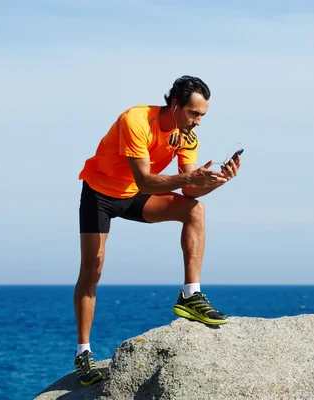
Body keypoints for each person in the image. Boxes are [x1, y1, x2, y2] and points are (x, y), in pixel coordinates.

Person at [72, 75, 241, 387]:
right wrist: (193, 180)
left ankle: (191, 296)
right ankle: (83, 353)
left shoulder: (187, 137)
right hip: (100, 193)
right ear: (175, 106)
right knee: (92, 269)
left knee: (195, 210)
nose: (199, 122)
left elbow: (189, 192)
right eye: (194, 113)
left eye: (203, 115)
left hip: (134, 195)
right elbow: (147, 181)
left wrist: (215, 182)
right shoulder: (136, 120)